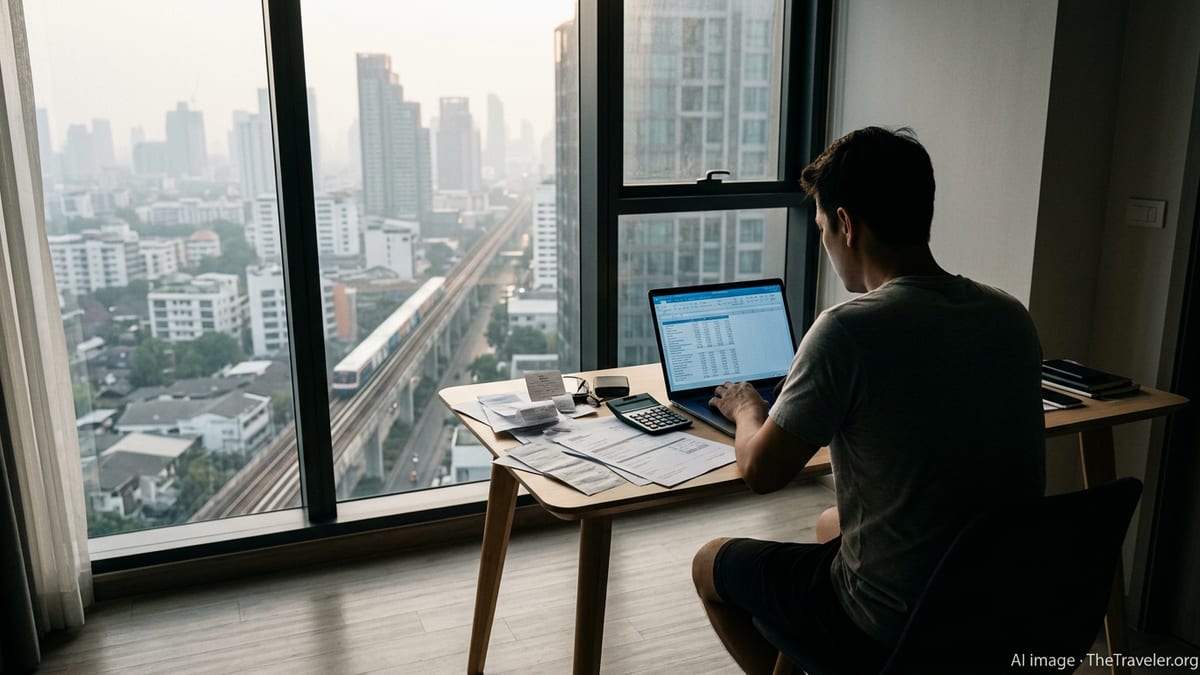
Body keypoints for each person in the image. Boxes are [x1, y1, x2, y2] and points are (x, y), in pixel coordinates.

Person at [691, 126, 1046, 673]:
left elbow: (760, 472)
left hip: (893, 620)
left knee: (708, 563)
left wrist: (748, 410)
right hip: (999, 605)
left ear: (847, 225)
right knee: (830, 524)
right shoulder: (1008, 315)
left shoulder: (846, 331)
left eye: (821, 227)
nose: (826, 243)